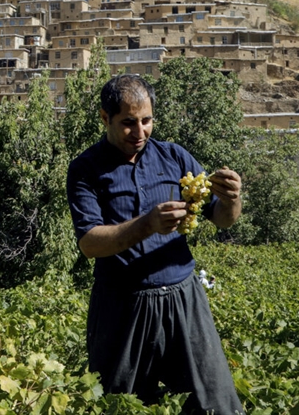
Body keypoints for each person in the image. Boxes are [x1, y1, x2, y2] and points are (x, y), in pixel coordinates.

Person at [66, 74, 244, 414]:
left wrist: (232, 199)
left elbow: (222, 218)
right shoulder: (86, 169)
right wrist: (147, 224)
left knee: (215, 404)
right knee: (121, 406)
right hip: (122, 306)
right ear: (105, 118)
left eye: (146, 121)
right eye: (128, 123)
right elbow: (89, 243)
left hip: (183, 300)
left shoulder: (174, 157)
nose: (140, 131)